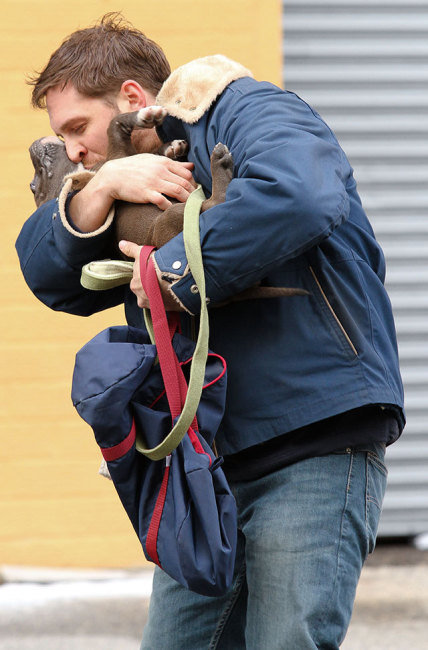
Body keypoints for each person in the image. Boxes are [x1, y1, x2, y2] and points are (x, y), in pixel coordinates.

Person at [16, 13, 404, 650]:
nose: (74, 151)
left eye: (78, 129)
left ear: (134, 100)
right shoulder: (117, 182)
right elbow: (47, 274)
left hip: (312, 438)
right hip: (204, 465)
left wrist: (173, 272)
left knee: (286, 642)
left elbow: (300, 194)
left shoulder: (243, 107)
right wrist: (104, 185)